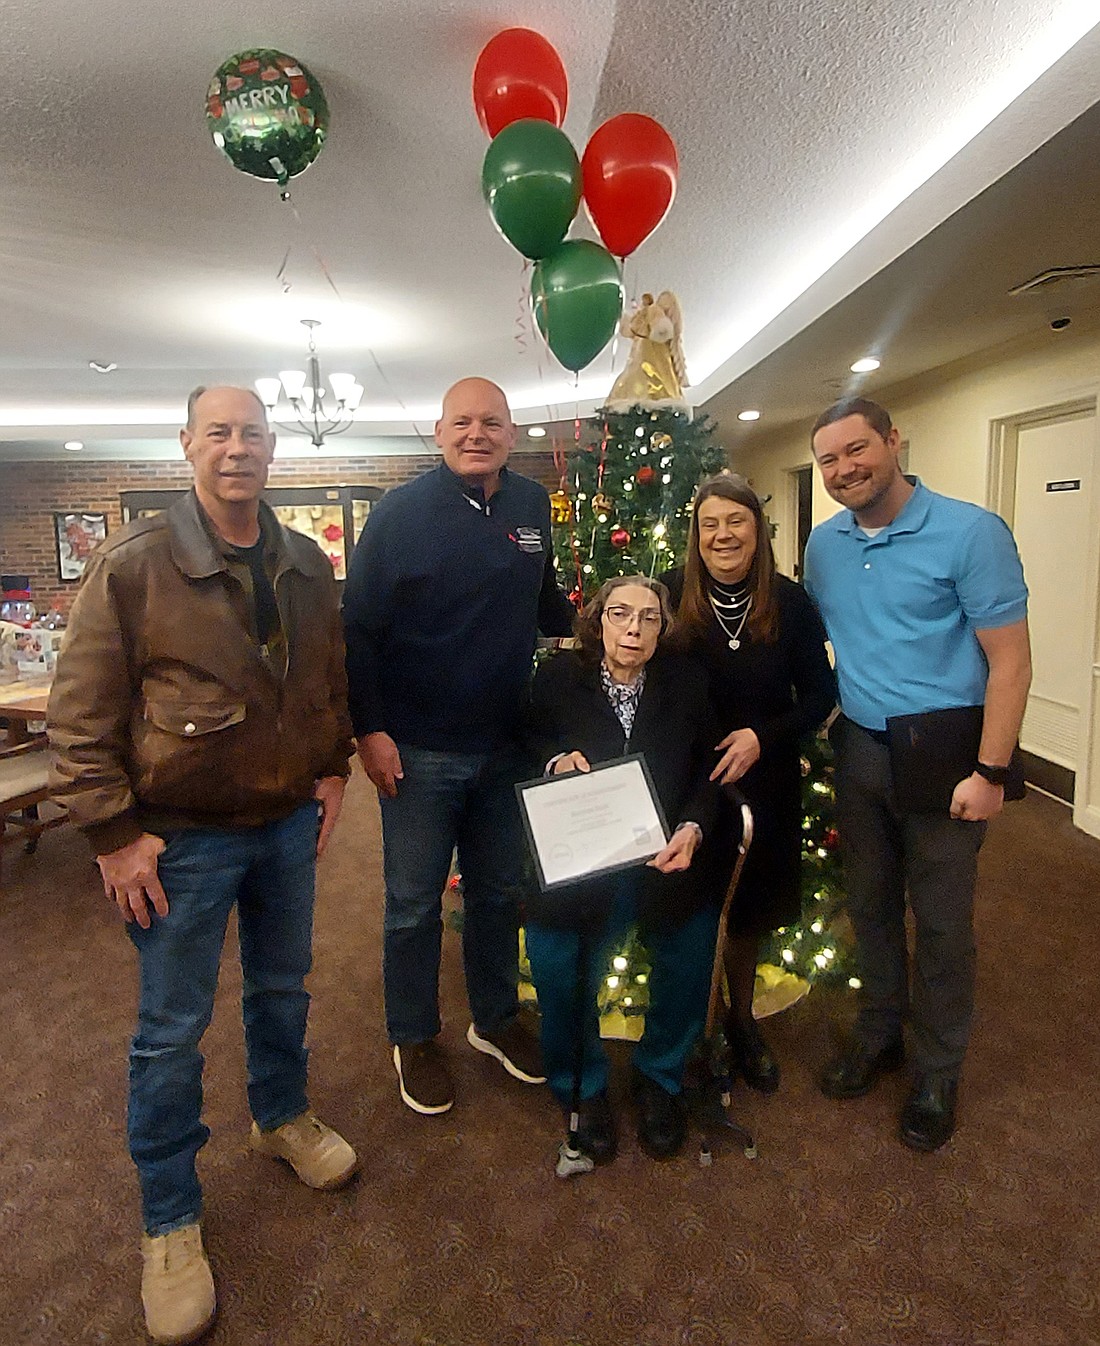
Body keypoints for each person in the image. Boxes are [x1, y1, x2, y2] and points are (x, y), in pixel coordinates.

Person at [48, 386, 358, 1346]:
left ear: (273, 449)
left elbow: (324, 679)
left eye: (253, 433)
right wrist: (111, 833)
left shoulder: (305, 560)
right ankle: (170, 1222)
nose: (238, 447)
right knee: (170, 1032)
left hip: (282, 827)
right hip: (177, 840)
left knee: (282, 990)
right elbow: (79, 717)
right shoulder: (134, 564)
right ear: (186, 445)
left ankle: (281, 1117)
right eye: (218, 432)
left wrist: (332, 766)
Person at [342, 376, 575, 1116]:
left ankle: (496, 1019)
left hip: (507, 744)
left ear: (512, 433)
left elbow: (547, 604)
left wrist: (611, 616)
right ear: (439, 432)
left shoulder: (533, 506)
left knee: (497, 893)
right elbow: (358, 632)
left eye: (493, 423)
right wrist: (370, 731)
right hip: (419, 750)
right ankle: (413, 1036)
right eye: (463, 423)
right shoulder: (398, 516)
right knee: (412, 904)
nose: (478, 434)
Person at [805, 396, 1031, 1152]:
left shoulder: (971, 532)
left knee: (939, 922)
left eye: (857, 449)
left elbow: (1012, 663)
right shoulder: (824, 545)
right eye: (829, 459)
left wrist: (991, 770)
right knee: (868, 906)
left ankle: (938, 1069)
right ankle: (881, 1036)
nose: (844, 469)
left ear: (894, 440)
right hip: (861, 747)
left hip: (947, 756)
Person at [524, 576, 723, 1162]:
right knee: (557, 962)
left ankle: (659, 1077)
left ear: (664, 629)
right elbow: (526, 740)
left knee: (689, 949)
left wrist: (693, 827)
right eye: (619, 614)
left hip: (666, 854)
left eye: (648, 617)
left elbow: (710, 769)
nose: (633, 628)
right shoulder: (558, 677)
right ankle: (582, 1087)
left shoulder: (687, 682)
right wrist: (556, 759)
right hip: (584, 861)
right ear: (598, 621)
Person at [664, 474, 836, 1093]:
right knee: (695, 908)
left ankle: (740, 1021)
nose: (723, 534)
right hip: (689, 786)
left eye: (735, 521)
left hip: (765, 781)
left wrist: (764, 736)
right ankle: (697, 1031)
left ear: (757, 530)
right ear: (696, 535)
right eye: (710, 524)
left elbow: (821, 695)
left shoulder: (790, 603)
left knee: (749, 911)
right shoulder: (671, 597)